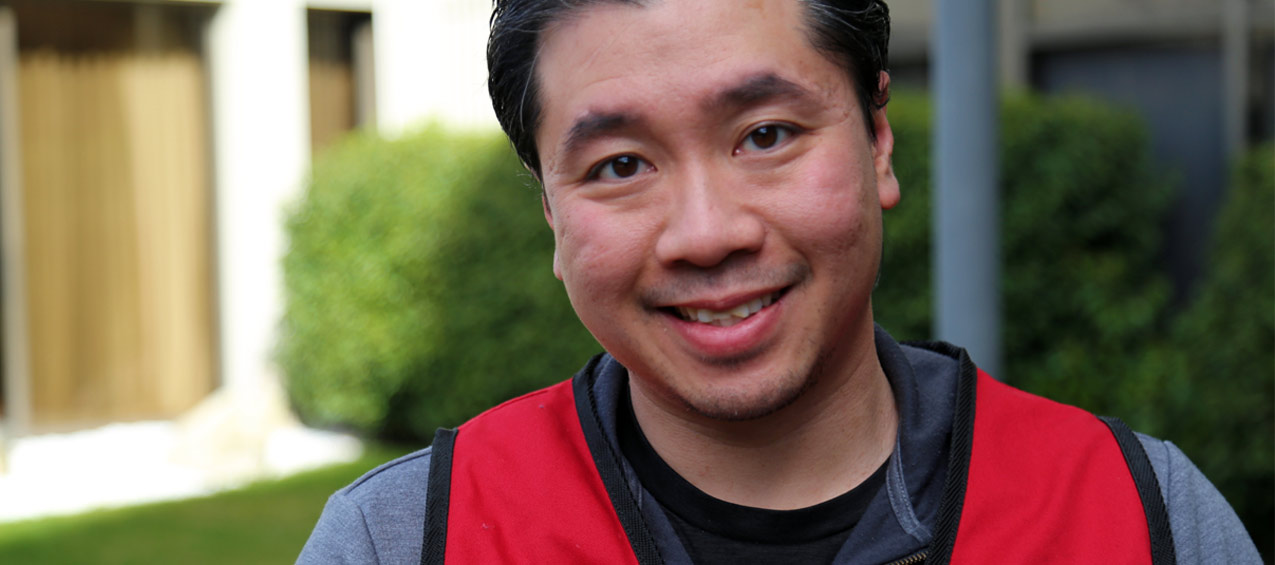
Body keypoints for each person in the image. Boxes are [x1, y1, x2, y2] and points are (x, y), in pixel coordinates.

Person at [298, 0, 1261, 563]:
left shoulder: (1141, 519)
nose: (707, 234)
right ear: (552, 211)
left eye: (767, 135)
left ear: (877, 139)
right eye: (620, 164)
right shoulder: (406, 542)